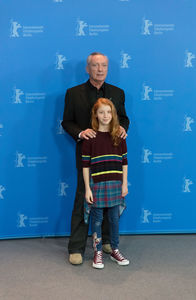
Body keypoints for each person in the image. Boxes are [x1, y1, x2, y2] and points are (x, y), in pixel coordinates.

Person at [62, 52, 129, 265]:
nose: (100, 69)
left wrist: (123, 129)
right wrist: (81, 133)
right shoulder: (73, 93)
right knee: (84, 198)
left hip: (113, 158)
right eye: (95, 65)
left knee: (111, 199)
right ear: (87, 68)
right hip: (88, 157)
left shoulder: (118, 93)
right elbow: (67, 122)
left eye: (104, 66)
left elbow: (124, 118)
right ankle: (76, 248)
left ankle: (107, 242)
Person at [82, 98, 129, 269]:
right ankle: (98, 251)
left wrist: (124, 184)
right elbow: (85, 166)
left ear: (113, 114)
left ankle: (115, 249)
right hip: (97, 185)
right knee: (97, 219)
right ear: (95, 115)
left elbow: (124, 163)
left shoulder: (119, 136)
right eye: (101, 112)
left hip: (115, 184)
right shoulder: (90, 138)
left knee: (114, 219)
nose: (105, 115)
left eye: (109, 112)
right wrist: (88, 188)